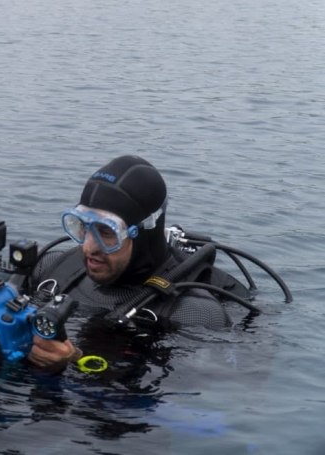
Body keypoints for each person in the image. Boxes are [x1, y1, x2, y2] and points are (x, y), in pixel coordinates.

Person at [24, 155, 251, 372]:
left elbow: (193, 403)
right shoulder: (51, 268)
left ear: (143, 234)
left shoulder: (195, 314)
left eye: (106, 232)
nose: (88, 247)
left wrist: (75, 361)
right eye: (83, 226)